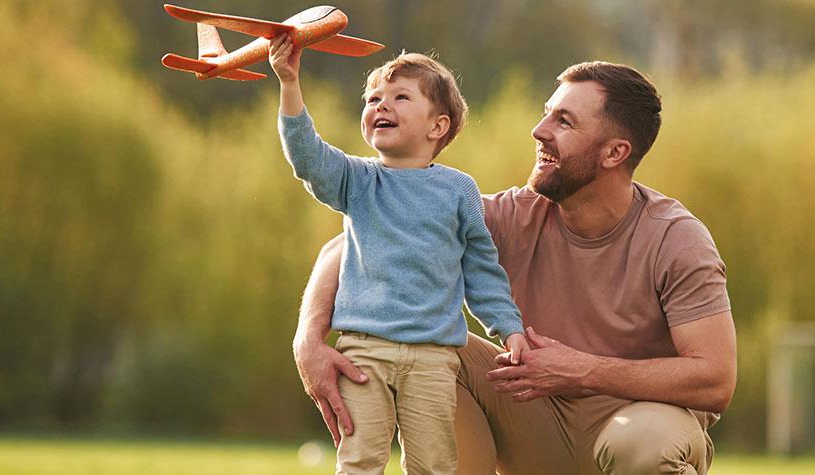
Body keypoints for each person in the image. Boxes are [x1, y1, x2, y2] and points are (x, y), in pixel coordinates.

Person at [294, 60, 736, 474]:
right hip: (533, 419)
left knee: (646, 442)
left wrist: (583, 369)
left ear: (614, 152)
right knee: (443, 350)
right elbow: (349, 246)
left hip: (633, 422)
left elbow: (715, 379)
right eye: (547, 114)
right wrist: (309, 340)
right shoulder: (513, 214)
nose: (538, 130)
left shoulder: (675, 237)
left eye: (564, 122)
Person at [269, 33, 529, 475]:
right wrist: (290, 84)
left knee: (434, 465)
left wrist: (509, 327)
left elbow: (482, 272)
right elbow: (307, 158)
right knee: (360, 460)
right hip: (363, 352)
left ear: (437, 126)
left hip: (433, 357)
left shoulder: (459, 190)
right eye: (372, 99)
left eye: (399, 97)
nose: (380, 106)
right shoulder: (357, 179)